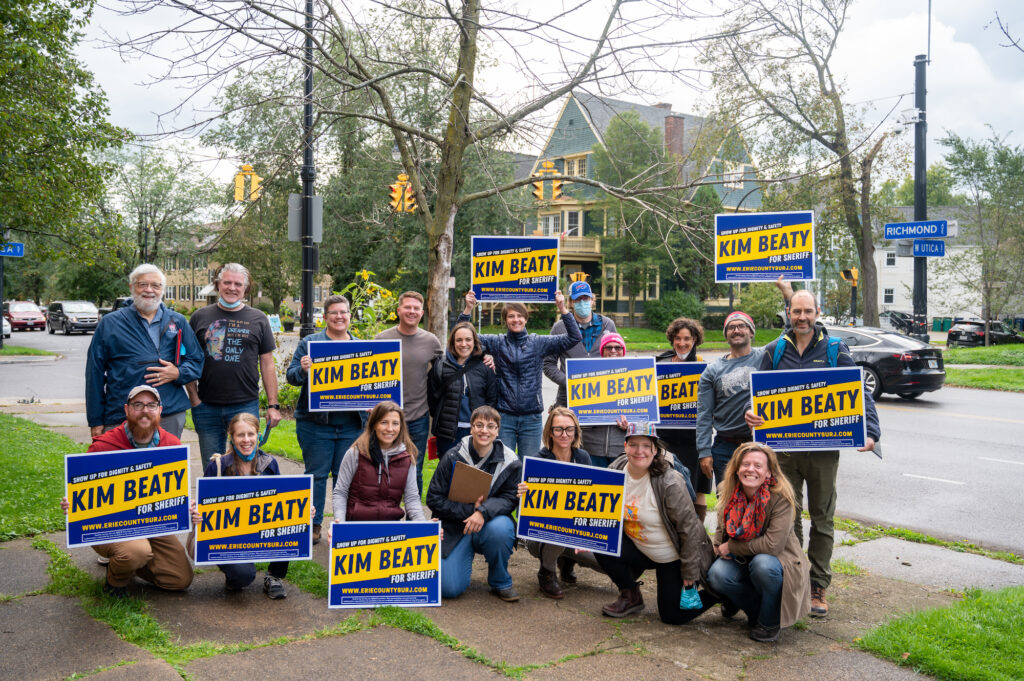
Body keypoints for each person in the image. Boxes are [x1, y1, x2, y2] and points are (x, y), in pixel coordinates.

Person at [744, 289, 880, 618]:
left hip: (822, 452)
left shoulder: (834, 349)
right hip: (784, 452)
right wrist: (751, 411)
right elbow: (758, 393)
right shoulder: (775, 350)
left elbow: (858, 390)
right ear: (787, 313)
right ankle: (796, 575)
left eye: (808, 311)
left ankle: (818, 584)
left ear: (817, 312)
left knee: (823, 519)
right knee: (789, 518)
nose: (802, 317)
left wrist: (872, 432)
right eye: (796, 311)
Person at [62, 385, 194, 598]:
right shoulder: (104, 446)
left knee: (180, 579)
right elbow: (82, 486)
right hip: (111, 525)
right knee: (136, 551)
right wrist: (73, 503)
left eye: (151, 405)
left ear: (160, 410)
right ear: (127, 409)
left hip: (152, 524)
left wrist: (184, 502)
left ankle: (128, 563)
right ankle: (115, 582)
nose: (145, 410)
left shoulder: (171, 445)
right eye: (138, 405)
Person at [594, 422, 716, 623]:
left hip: (670, 556)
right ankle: (630, 594)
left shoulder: (670, 482)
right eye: (633, 444)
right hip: (639, 547)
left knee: (672, 616)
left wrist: (690, 572)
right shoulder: (615, 471)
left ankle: (721, 594)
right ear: (625, 447)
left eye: (645, 445)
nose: (639, 451)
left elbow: (689, 529)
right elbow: (597, 507)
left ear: (655, 449)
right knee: (599, 540)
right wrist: (585, 537)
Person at [190, 412, 310, 599]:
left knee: (289, 521)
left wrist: (302, 510)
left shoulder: (270, 464)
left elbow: (282, 502)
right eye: (240, 435)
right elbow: (203, 505)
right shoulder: (217, 467)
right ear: (232, 437)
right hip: (228, 538)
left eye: (251, 434)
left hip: (260, 530)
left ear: (258, 436)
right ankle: (234, 572)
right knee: (242, 577)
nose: (246, 440)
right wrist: (197, 513)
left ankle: (274, 576)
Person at [457, 289, 581, 460]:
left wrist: (563, 308)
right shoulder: (497, 342)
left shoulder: (538, 342)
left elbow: (574, 337)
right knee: (503, 465)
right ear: (505, 320)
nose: (516, 319)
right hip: (504, 416)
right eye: (511, 316)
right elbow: (463, 334)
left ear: (526, 318)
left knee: (528, 468)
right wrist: (468, 309)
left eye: (519, 316)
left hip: (531, 417)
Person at [707, 442, 811, 643]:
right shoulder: (726, 488)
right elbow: (723, 522)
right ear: (737, 469)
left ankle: (770, 621)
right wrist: (718, 544)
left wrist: (731, 547)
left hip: (777, 559)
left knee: (762, 565)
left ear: (769, 472)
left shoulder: (781, 497)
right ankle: (758, 611)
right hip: (741, 558)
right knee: (717, 575)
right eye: (745, 464)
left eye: (758, 465)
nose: (750, 470)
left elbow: (773, 545)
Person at [696, 277, 794, 488]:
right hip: (725, 446)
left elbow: (790, 331)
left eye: (742, 326)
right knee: (727, 503)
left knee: (762, 502)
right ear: (726, 335)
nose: (737, 330)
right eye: (731, 328)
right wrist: (704, 452)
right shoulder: (712, 371)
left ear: (751, 332)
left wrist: (788, 296)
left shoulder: (766, 356)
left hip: (761, 443)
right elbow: (703, 415)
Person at [86, 264, 203, 439]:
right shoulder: (111, 323)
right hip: (122, 413)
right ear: (131, 287)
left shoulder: (177, 321)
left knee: (165, 464)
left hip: (168, 412)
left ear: (162, 290)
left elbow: (197, 360)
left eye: (156, 285)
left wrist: (178, 373)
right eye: (143, 284)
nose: (149, 290)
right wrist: (95, 420)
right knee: (126, 466)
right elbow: (94, 373)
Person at [287, 294, 364, 545]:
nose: (339, 316)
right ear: (325, 317)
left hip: (351, 424)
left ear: (350, 316)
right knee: (317, 476)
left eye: (344, 312)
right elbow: (291, 377)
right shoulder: (311, 343)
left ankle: (342, 524)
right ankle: (314, 523)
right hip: (315, 424)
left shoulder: (361, 346)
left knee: (347, 477)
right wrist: (303, 369)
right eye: (334, 313)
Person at [188, 263, 282, 469]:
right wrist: (194, 399)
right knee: (212, 467)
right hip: (206, 406)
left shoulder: (258, 319)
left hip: (245, 404)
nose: (232, 288)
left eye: (238, 284)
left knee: (246, 467)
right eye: (227, 282)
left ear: (245, 288)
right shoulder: (199, 317)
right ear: (217, 284)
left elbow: (267, 364)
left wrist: (273, 406)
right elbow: (187, 360)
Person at [426, 406, 522, 602]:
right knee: (449, 589)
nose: (484, 431)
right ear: (471, 428)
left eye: (490, 426)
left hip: (488, 524)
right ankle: (459, 560)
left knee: (501, 529)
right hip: (455, 526)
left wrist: (483, 512)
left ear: (497, 430)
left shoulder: (510, 461)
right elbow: (433, 498)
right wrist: (472, 510)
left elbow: (509, 498)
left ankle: (499, 580)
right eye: (479, 425)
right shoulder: (453, 456)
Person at [518, 407, 603, 599]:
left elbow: (590, 500)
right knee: (559, 527)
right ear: (550, 432)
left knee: (607, 565)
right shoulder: (538, 461)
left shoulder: (583, 458)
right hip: (542, 535)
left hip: (576, 532)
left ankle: (566, 559)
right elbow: (529, 510)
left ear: (576, 432)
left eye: (569, 429)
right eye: (558, 429)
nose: (564, 434)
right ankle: (547, 572)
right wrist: (522, 493)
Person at [375, 291, 443, 496]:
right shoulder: (381, 339)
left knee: (415, 470)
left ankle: (413, 519)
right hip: (387, 418)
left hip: (417, 418)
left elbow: (449, 371)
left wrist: (485, 358)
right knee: (383, 470)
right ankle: (386, 516)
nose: (411, 311)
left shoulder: (432, 342)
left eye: (416, 308)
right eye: (407, 307)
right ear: (398, 310)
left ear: (422, 313)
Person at [331, 401, 426, 523]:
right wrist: (340, 522)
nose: (390, 429)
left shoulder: (407, 458)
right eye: (384, 422)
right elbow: (340, 492)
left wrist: (424, 526)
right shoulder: (355, 453)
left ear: (401, 427)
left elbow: (412, 498)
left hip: (390, 530)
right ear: (374, 424)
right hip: (356, 526)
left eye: (395, 423)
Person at [657, 317, 712, 521]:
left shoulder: (702, 367)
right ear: (672, 339)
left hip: (693, 439)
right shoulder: (659, 364)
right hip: (666, 438)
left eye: (687, 339)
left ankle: (698, 533)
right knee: (668, 486)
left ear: (695, 340)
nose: (682, 343)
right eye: (678, 338)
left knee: (698, 488)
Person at [427, 321, 498, 459]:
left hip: (477, 432)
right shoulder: (440, 365)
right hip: (448, 434)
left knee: (475, 475)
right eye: (459, 340)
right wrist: (443, 419)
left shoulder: (484, 366)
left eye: (468, 339)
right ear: (453, 342)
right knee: (449, 473)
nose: (463, 344)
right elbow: (432, 399)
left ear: (475, 341)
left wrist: (484, 425)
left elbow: (492, 399)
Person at [543, 278, 617, 407]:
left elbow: (618, 358)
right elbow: (548, 364)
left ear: (592, 301)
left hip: (602, 395)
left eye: (586, 298)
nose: (582, 302)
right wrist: (569, 382)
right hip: (568, 397)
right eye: (578, 299)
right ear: (571, 302)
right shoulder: (560, 328)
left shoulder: (607, 325)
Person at [579, 332, 629, 468]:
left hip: (621, 449)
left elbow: (646, 417)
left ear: (623, 351)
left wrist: (631, 426)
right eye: (609, 347)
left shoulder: (634, 374)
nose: (613, 351)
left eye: (618, 348)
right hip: (592, 447)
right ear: (602, 351)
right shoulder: (587, 374)